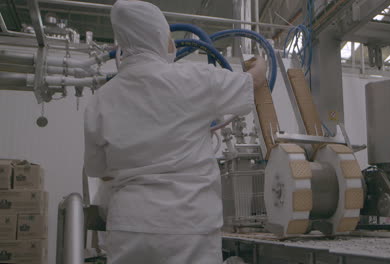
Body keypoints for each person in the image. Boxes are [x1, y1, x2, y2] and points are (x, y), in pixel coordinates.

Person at [83, 1, 267, 263]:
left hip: (129, 224)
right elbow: (255, 81)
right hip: (188, 223)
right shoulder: (194, 78)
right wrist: (260, 61)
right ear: (160, 36)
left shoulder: (101, 100)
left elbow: (97, 170)